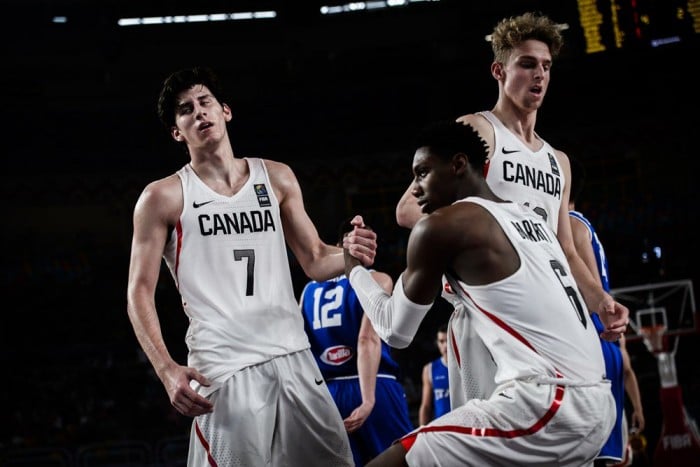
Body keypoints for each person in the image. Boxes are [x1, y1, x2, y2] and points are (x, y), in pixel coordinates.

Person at [125, 66, 379, 467]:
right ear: (178, 132)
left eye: (205, 102)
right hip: (225, 369)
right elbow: (138, 291)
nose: (199, 112)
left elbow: (314, 259)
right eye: (185, 110)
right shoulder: (163, 196)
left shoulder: (276, 176)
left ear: (225, 111)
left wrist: (350, 254)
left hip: (294, 356)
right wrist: (166, 369)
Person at [344, 120, 620, 466]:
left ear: (459, 165)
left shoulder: (442, 226)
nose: (415, 188)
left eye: (422, 173)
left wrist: (353, 269)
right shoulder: (533, 220)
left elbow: (395, 330)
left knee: (396, 461)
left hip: (551, 406)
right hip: (594, 400)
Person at [394, 12, 628, 341]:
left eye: (546, 66)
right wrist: (482, 241)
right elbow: (407, 209)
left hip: (546, 310)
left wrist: (600, 299)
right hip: (489, 314)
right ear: (499, 71)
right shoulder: (479, 130)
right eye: (527, 64)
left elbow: (567, 250)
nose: (539, 75)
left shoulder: (558, 162)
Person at [299, 218, 414, 466]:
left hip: (328, 394)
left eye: (370, 241)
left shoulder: (308, 291)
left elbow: (303, 350)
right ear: (339, 247)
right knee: (405, 459)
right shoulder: (378, 279)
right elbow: (366, 340)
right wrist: (368, 399)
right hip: (373, 385)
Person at [568, 156, 645, 466]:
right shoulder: (580, 223)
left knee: (593, 457)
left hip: (594, 340)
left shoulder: (571, 226)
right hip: (599, 341)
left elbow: (594, 292)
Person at [418, 323, 450, 426]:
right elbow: (426, 406)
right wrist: (421, 431)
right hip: (440, 428)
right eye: (441, 341)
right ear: (437, 343)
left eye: (448, 341)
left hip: (463, 427)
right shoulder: (429, 369)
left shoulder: (466, 367)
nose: (445, 345)